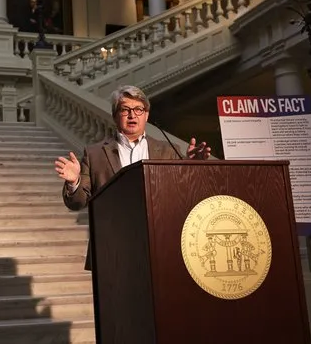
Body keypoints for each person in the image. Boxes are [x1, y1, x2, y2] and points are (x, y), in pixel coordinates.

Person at [54, 85, 210, 270]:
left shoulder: (169, 150)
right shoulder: (95, 154)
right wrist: (74, 182)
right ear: (115, 115)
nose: (132, 115)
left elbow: (183, 193)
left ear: (146, 115)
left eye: (138, 109)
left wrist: (192, 167)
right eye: (125, 109)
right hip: (113, 247)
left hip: (159, 242)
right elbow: (77, 202)